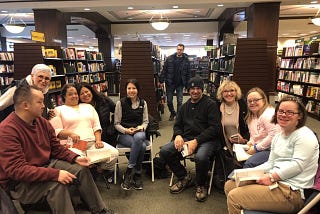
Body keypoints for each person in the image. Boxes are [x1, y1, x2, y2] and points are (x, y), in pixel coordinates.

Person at [0, 85, 114, 214]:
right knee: (56, 185)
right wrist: (56, 174)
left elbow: (56, 148)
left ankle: (99, 210)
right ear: (26, 105)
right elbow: (17, 171)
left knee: (81, 170)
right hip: (20, 183)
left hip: (46, 165)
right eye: (40, 102)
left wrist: (76, 157)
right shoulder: (7, 131)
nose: (44, 106)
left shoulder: (42, 122)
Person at [225, 95, 319, 214]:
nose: (283, 115)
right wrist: (244, 174)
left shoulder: (305, 136)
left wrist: (271, 177)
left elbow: (298, 165)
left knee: (235, 197)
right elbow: (270, 163)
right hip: (277, 182)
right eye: (281, 111)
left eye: (290, 112)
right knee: (230, 185)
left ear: (299, 116)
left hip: (292, 192)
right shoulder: (279, 136)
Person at [159, 76, 221, 202]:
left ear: (202, 90)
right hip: (187, 138)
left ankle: (201, 185)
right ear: (188, 90)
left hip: (206, 140)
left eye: (198, 88)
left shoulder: (210, 104)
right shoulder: (184, 107)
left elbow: (214, 128)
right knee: (165, 151)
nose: (195, 91)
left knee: (201, 157)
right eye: (192, 88)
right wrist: (178, 135)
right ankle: (184, 177)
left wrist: (196, 141)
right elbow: (177, 125)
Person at [49, 84, 118, 176]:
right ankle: (87, 173)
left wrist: (98, 140)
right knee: (79, 161)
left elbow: (96, 126)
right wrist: (70, 134)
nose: (74, 96)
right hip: (73, 145)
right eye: (70, 94)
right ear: (64, 96)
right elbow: (57, 131)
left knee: (113, 154)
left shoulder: (88, 107)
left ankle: (97, 171)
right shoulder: (58, 110)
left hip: (92, 143)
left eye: (75, 94)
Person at [114, 79, 149, 190]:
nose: (131, 90)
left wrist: (141, 127)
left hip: (139, 132)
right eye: (129, 88)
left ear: (138, 90)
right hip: (124, 134)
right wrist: (125, 130)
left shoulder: (143, 103)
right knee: (142, 146)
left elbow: (146, 121)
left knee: (139, 137)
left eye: (134, 88)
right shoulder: (120, 103)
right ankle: (137, 173)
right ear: (126, 90)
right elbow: (116, 123)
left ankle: (129, 171)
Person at [215, 80, 250, 183]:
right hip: (222, 142)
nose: (229, 93)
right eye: (225, 91)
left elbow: (250, 127)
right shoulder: (216, 106)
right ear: (221, 93)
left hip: (242, 142)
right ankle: (226, 179)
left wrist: (244, 139)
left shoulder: (244, 105)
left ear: (236, 92)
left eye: (232, 90)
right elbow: (214, 127)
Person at [243, 87, 281, 168]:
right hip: (260, 147)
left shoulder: (268, 114)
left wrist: (256, 148)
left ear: (264, 100)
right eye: (249, 101)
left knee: (249, 164)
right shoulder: (252, 116)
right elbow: (254, 135)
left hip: (272, 149)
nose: (252, 103)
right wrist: (250, 143)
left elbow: (274, 135)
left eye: (256, 100)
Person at [76, 82, 117, 147]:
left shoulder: (103, 99)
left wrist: (112, 126)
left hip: (107, 134)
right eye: (81, 94)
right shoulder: (78, 107)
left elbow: (117, 111)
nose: (85, 95)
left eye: (87, 91)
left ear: (91, 91)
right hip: (89, 138)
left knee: (110, 155)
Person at [159, 43, 190, 121]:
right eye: (178, 49)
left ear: (183, 50)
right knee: (169, 101)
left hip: (180, 83)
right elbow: (164, 70)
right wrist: (161, 80)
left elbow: (188, 73)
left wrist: (187, 85)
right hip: (170, 83)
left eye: (181, 50)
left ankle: (178, 116)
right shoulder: (169, 59)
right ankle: (173, 113)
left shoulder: (186, 60)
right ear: (176, 49)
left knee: (180, 101)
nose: (179, 51)